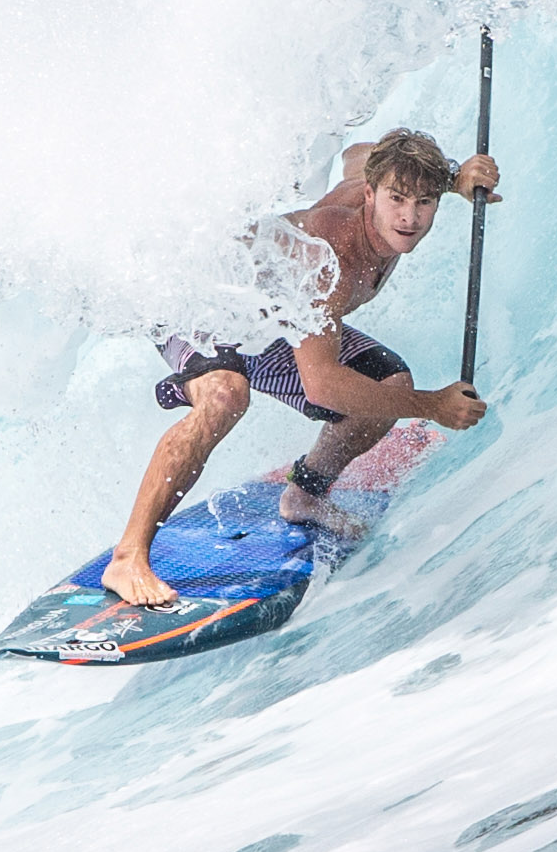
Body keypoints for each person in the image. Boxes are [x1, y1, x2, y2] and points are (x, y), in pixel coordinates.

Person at [104, 124, 509, 607]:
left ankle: (304, 495)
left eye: (424, 202)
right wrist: (433, 406)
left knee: (388, 385)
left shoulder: (375, 182)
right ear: (370, 195)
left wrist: (455, 177)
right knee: (225, 397)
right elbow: (322, 385)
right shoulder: (329, 259)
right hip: (199, 303)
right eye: (397, 199)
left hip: (274, 323)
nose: (409, 217)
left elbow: (361, 151)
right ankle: (128, 556)